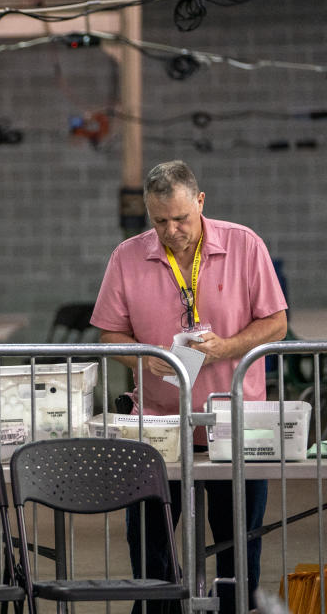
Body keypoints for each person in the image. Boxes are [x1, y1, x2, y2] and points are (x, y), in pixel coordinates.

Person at [91, 159, 287, 614]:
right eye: (160, 221)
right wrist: (151, 358)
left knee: (238, 546)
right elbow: (108, 335)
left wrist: (227, 347)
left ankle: (235, 607)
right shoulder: (126, 256)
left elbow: (276, 323)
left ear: (201, 202)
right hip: (159, 428)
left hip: (236, 426)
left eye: (181, 218)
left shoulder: (245, 245)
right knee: (150, 546)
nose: (172, 230)